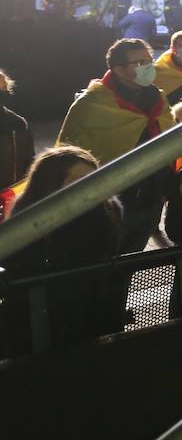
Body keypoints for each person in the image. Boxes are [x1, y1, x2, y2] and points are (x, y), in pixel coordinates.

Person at [56, 38, 177, 252]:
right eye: (139, 63)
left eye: (149, 61)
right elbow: (67, 154)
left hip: (150, 199)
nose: (148, 67)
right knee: (102, 264)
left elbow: (170, 140)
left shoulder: (158, 98)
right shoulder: (92, 103)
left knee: (131, 263)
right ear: (119, 70)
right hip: (108, 203)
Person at [2, 146, 124, 349]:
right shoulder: (26, 219)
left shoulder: (108, 210)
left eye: (93, 177)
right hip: (38, 319)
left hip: (91, 310)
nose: (89, 185)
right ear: (50, 183)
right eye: (78, 179)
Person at [0, 68, 35, 194]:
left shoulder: (18, 124)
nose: (3, 92)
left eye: (4, 87)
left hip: (10, 194)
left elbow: (29, 162)